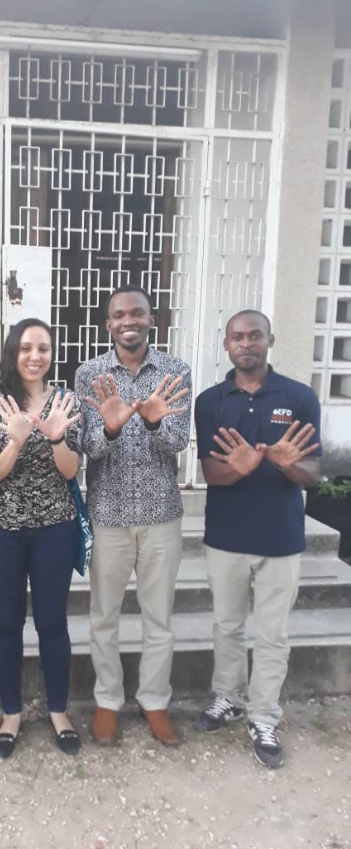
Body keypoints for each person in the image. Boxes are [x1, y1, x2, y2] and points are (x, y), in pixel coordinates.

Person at [193, 310, 321, 769]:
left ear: (270, 340)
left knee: (272, 635)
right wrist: (241, 468)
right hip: (225, 536)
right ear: (226, 344)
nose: (246, 343)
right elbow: (211, 473)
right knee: (226, 625)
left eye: (255, 336)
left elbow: (312, 474)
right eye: (237, 337)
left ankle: (264, 717)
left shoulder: (300, 397)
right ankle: (226, 697)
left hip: (281, 537)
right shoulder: (210, 401)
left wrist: (288, 464)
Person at [75, 285, 191, 747]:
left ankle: (154, 701)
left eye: (137, 313)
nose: (129, 321)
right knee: (103, 615)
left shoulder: (176, 371)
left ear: (150, 320)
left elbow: (178, 442)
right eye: (120, 314)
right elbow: (87, 448)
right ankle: (107, 700)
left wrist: (155, 421)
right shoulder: (90, 374)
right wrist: (109, 427)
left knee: (158, 617)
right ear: (109, 324)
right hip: (108, 514)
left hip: (161, 513)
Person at [0, 318, 82, 758]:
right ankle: (11, 714)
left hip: (55, 528)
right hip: (0, 530)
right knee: (7, 620)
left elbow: (71, 470)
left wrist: (55, 437)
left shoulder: (66, 402)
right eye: (26, 348)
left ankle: (58, 711)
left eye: (43, 348)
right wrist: (15, 442)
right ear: (12, 353)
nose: (35, 356)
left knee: (53, 622)